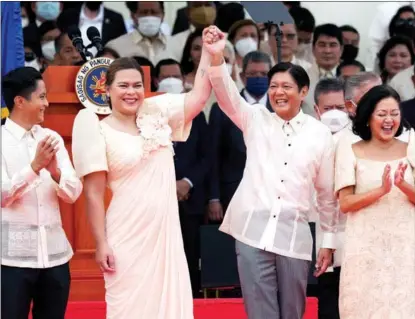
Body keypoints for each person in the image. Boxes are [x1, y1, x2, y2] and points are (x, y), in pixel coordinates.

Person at [71, 27, 215, 319]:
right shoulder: (93, 126)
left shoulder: (157, 110)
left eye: (137, 85)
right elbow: (94, 194)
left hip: (165, 233)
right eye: (123, 86)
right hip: (126, 233)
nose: (131, 92)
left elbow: (199, 97)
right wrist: (101, 243)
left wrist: (211, 54)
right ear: (106, 89)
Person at [203, 26, 338, 318]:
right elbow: (226, 94)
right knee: (259, 310)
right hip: (252, 230)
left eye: (286, 86)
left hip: (294, 234)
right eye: (273, 85)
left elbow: (327, 195)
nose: (278, 92)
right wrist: (216, 57)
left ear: (303, 92)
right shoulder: (255, 119)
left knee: (293, 310)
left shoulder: (320, 133)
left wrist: (328, 242)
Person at [1, 67, 83, 319]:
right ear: (19, 101)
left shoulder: (51, 138)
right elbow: (3, 196)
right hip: (11, 261)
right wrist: (34, 168)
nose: (47, 103)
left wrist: (56, 172)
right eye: (42, 97)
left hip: (55, 257)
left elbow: (74, 192)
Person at [335, 85, 415, 318]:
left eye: (394, 113)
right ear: (368, 117)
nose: (389, 120)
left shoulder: (412, 145)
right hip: (364, 249)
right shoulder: (348, 149)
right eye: (382, 114)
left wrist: (403, 186)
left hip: (405, 249)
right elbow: (346, 203)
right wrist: (381, 190)